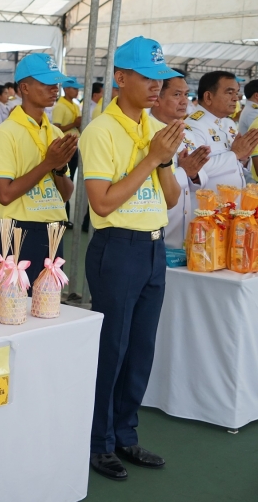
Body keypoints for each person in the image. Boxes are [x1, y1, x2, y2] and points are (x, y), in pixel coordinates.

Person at [81, 36, 183, 481]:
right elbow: (101, 204)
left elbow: (174, 198)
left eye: (161, 78)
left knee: (140, 349)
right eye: (147, 77)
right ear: (121, 78)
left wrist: (163, 159)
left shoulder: (149, 128)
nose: (157, 87)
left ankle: (126, 433)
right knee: (112, 350)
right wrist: (152, 158)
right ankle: (98, 442)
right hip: (117, 248)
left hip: (153, 247)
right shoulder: (100, 131)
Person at [0, 54, 76, 288]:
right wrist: (48, 163)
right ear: (24, 88)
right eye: (46, 83)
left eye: (56, 83)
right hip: (20, 232)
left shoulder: (55, 133)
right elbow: (4, 194)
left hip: (54, 231)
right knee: (14, 311)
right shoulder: (6, 133)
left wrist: (59, 168)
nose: (54, 88)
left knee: (47, 308)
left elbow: (65, 194)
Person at [152, 69, 211, 249]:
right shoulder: (148, 134)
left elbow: (202, 178)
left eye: (186, 94)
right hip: (157, 229)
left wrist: (192, 175)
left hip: (184, 228)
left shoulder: (187, 134)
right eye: (177, 94)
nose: (184, 101)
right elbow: (148, 182)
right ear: (156, 98)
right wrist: (184, 172)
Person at [186, 71, 258, 193]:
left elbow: (239, 165)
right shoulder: (193, 125)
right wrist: (235, 154)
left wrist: (244, 158)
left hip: (232, 204)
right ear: (208, 97)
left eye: (236, 93)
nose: (236, 98)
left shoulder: (228, 123)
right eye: (229, 92)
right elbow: (195, 169)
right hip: (207, 207)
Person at [52, 76, 83, 227]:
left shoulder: (75, 105)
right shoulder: (60, 106)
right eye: (74, 88)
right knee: (61, 180)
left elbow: (77, 125)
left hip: (73, 146)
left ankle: (65, 216)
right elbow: (56, 128)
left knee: (68, 182)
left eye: (77, 88)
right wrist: (74, 123)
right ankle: (60, 216)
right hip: (64, 148)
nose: (77, 91)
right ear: (65, 89)